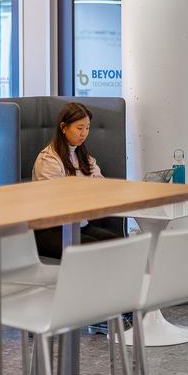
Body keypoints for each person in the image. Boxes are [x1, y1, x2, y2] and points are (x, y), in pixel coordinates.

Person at [32, 102, 124, 259]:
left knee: (118, 244)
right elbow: (57, 201)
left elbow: (101, 185)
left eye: (87, 128)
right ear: (63, 127)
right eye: (79, 128)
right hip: (50, 230)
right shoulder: (48, 159)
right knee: (95, 251)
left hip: (79, 225)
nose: (84, 133)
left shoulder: (82, 155)